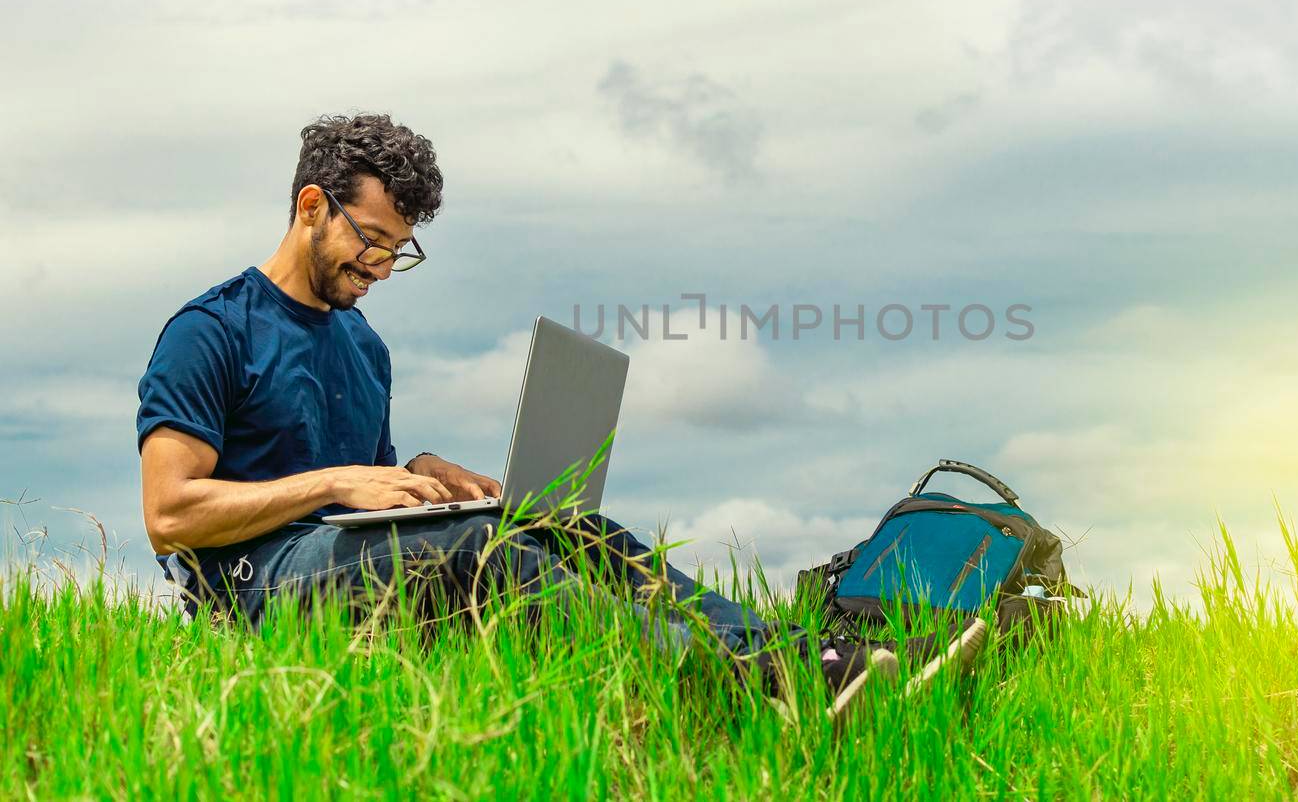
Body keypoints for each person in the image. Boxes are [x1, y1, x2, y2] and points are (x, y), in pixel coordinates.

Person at [135, 112, 986, 723]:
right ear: (312, 205)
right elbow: (169, 517)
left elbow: (369, 487)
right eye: (373, 239)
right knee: (473, 550)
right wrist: (331, 482)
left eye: (402, 249)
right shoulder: (211, 331)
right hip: (250, 590)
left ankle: (804, 659)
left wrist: (422, 472)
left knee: (566, 523)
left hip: (341, 564)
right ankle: (729, 692)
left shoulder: (363, 344)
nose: (386, 265)